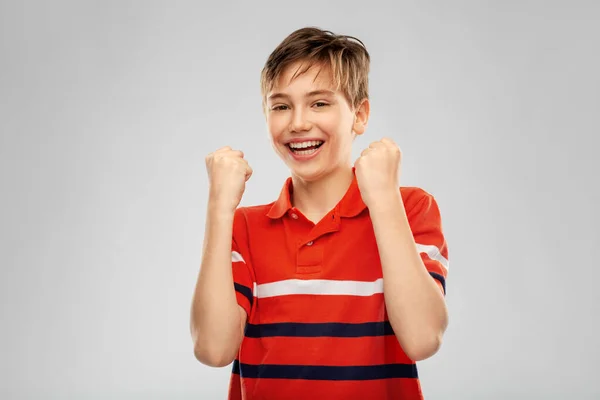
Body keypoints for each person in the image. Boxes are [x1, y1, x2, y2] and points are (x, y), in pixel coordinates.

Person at [190, 26, 450, 400]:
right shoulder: (243, 226)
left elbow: (424, 338)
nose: (298, 122)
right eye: (281, 106)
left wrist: (383, 200)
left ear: (359, 115)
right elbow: (213, 349)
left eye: (319, 103)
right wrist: (218, 207)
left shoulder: (409, 209)